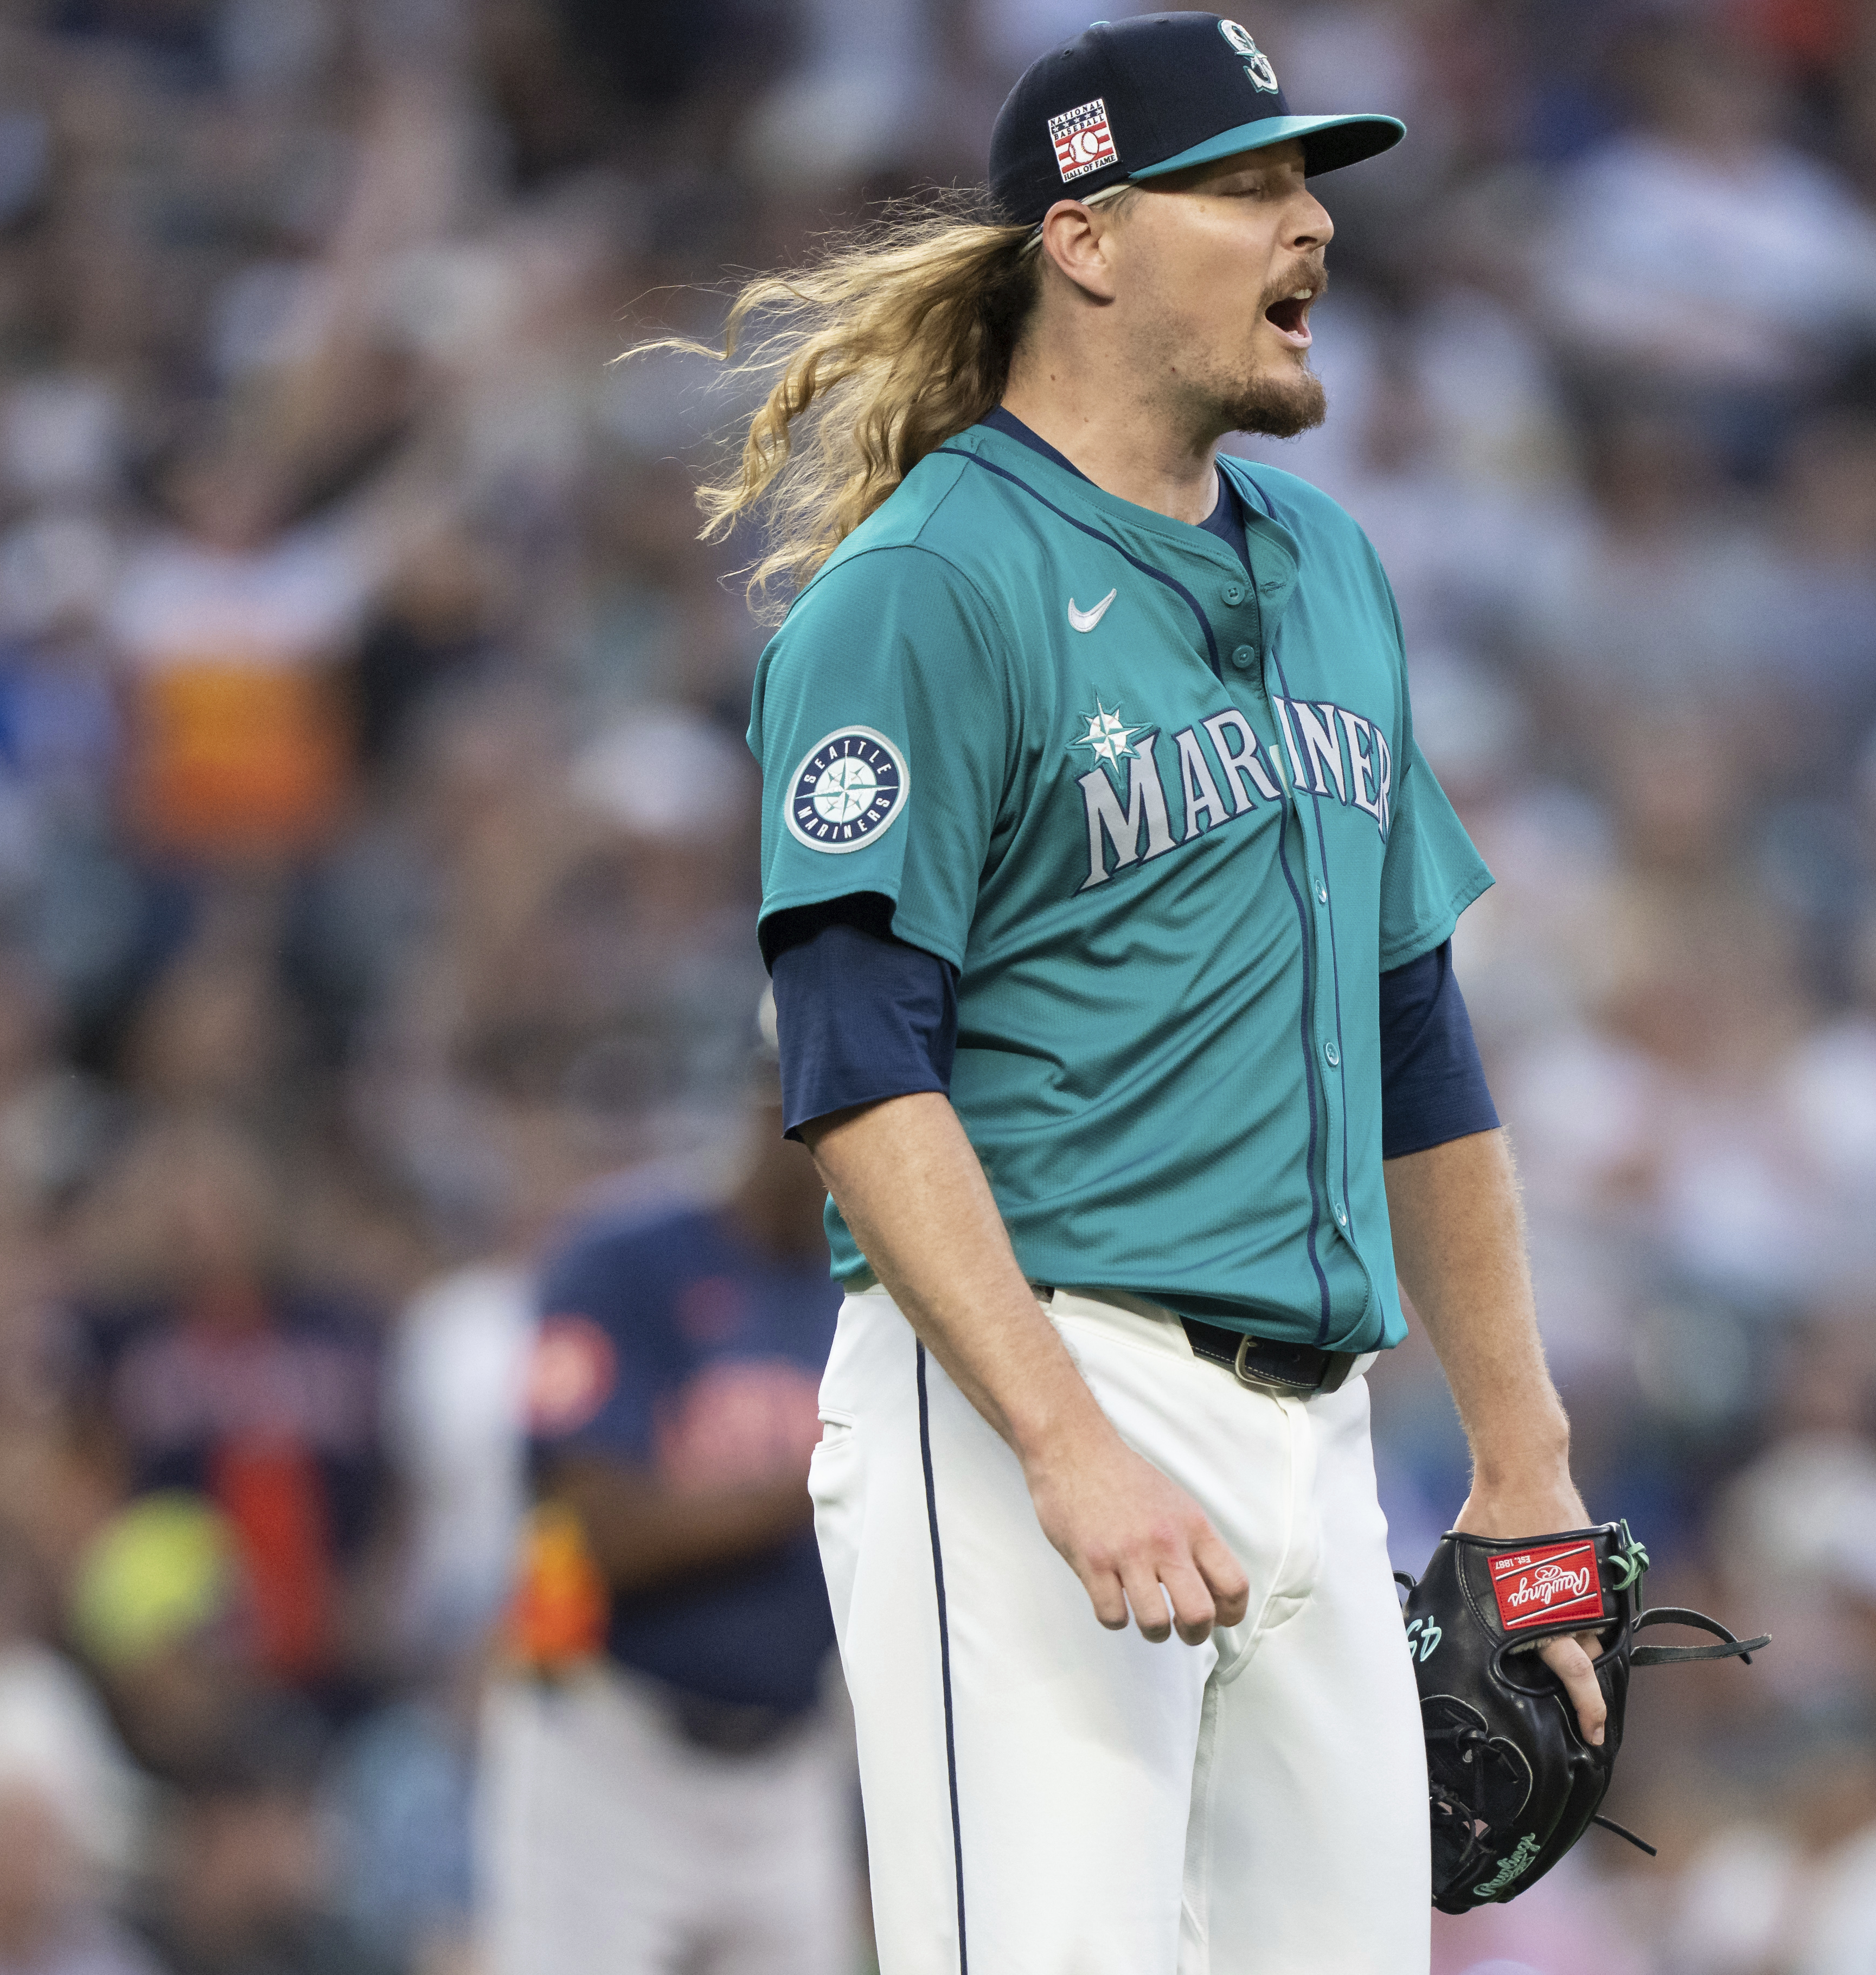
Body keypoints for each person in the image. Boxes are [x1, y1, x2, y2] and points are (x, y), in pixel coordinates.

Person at [702, 15, 1601, 1971]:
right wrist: (1058, 1440)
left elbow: (1417, 1037)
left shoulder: (1333, 565)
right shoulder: (927, 587)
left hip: (1319, 1432)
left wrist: (1524, 1469)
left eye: (1316, 185)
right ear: (1088, 238)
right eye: (1252, 185)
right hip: (1034, 1387)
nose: (1313, 227)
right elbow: (857, 1067)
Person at [477, 1051, 853, 1975]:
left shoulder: (870, 1287)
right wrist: (824, 1478)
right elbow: (592, 1533)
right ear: (774, 1100)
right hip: (609, 1749)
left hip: (789, 1764)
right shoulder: (618, 1258)